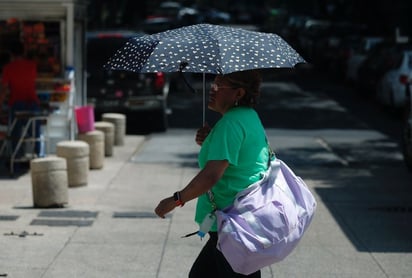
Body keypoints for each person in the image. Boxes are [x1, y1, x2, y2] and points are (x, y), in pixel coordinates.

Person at [155, 69, 269, 277]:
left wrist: (176, 199)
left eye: (219, 86)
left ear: (239, 93)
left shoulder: (230, 123)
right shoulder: (246, 117)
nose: (212, 90)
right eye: (213, 84)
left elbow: (211, 176)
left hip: (233, 226)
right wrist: (210, 141)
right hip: (235, 225)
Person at [0, 40, 41, 158]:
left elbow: (4, 90)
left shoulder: (8, 68)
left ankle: (16, 160)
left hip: (16, 105)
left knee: (16, 135)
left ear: (11, 54)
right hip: (33, 103)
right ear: (24, 52)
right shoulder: (32, 65)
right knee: (35, 133)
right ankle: (39, 156)